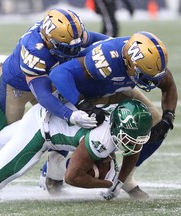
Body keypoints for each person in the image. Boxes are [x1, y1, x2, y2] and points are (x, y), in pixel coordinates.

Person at [0, 78, 153, 202]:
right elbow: (73, 176)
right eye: (130, 137)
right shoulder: (100, 139)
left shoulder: (119, 123)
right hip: (39, 132)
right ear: (118, 125)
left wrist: (118, 180)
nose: (133, 143)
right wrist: (105, 185)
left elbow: (133, 149)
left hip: (49, 121)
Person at [0, 8, 109, 164]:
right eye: (66, 47)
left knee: (57, 126)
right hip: (16, 87)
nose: (73, 51)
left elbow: (95, 39)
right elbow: (42, 95)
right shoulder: (34, 50)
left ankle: (52, 173)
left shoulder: (68, 34)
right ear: (49, 39)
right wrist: (70, 114)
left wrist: (117, 44)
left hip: (46, 78)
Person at [42, 31, 177, 198]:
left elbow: (168, 84)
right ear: (129, 63)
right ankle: (55, 168)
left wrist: (168, 116)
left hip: (114, 87)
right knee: (96, 144)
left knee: (154, 121)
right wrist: (82, 104)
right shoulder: (105, 61)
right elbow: (59, 74)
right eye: (144, 75)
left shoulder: (145, 61)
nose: (150, 82)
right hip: (81, 92)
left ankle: (126, 178)